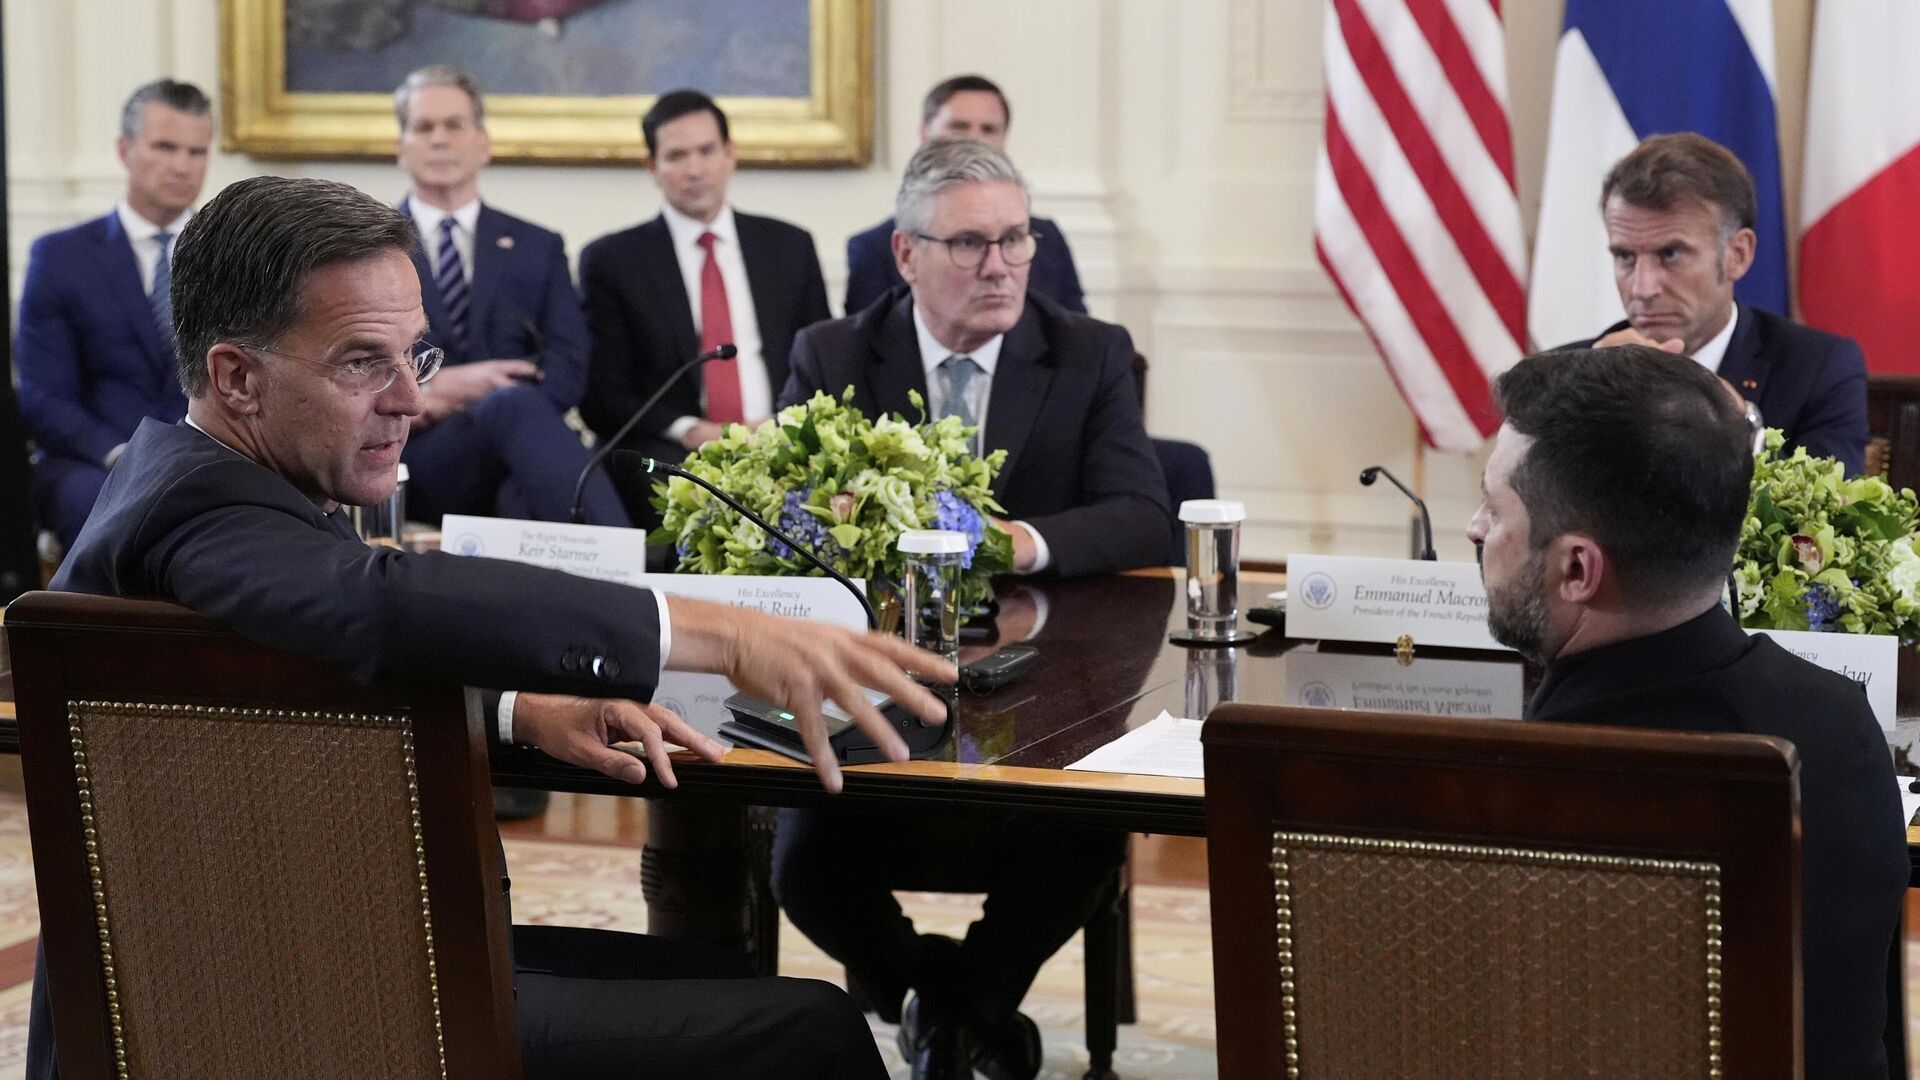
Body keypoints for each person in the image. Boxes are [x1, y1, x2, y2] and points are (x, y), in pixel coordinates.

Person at [26, 174, 958, 1080]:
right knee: (809, 1027)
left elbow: (286, 665)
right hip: (260, 1012)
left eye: (416, 357)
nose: (410, 399)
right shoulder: (201, 513)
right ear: (235, 376)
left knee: (729, 977)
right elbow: (374, 600)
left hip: (285, 957)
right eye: (363, 362)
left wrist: (515, 710)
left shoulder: (195, 479)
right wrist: (717, 630)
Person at [773, 137, 1167, 1080]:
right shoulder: (831, 352)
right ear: (906, 255)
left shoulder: (1087, 352)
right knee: (800, 867)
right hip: (874, 695)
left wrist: (1007, 540)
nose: (1001, 265)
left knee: (1078, 843)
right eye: (970, 244)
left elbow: (1142, 514)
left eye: (1016, 239)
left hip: (1044, 701)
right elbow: (782, 516)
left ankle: (950, 1015)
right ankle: (952, 1003)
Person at [1468, 345, 1906, 1080]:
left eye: (1494, 505)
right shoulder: (1842, 719)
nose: (1477, 528)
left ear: (1577, 568)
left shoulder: (1547, 793)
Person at [391, 64, 628, 528]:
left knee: (520, 493)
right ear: (401, 147)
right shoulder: (369, 247)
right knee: (513, 404)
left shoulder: (538, 246)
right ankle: (633, 571)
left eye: (454, 125)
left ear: (484, 142)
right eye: (424, 127)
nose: (439, 139)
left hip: (520, 454)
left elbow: (568, 366)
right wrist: (431, 389)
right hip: (416, 455)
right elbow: (349, 371)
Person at [579, 88, 830, 516]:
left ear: (730, 154)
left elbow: (821, 363)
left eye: (706, 151)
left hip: (781, 440)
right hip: (673, 452)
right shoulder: (613, 260)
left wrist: (780, 427)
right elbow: (603, 395)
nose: (694, 169)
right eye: (676, 156)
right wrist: (693, 430)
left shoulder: (789, 247)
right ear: (652, 167)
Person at [1565, 133, 1868, 474]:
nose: (1642, 288)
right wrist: (1584, 402)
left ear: (1737, 255)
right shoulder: (1564, 375)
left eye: (1670, 254)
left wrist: (1742, 427)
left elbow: (1833, 513)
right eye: (1624, 256)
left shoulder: (1816, 370)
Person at [16, 79, 210, 550]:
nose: (182, 166)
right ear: (124, 150)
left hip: (205, 461)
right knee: (114, 510)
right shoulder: (62, 257)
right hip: (94, 462)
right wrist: (122, 454)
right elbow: (42, 397)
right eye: (165, 147)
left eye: (197, 151)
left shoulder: (232, 259)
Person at [843, 74, 1086, 317]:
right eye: (959, 127)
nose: (974, 139)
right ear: (925, 134)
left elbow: (1077, 337)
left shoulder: (1047, 239)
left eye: (988, 129)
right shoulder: (873, 248)